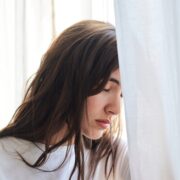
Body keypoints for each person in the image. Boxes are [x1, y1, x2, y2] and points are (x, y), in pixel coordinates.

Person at [0, 20, 130, 180]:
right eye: (105, 88)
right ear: (67, 81)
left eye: (123, 94)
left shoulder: (115, 156)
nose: (116, 109)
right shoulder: (4, 156)